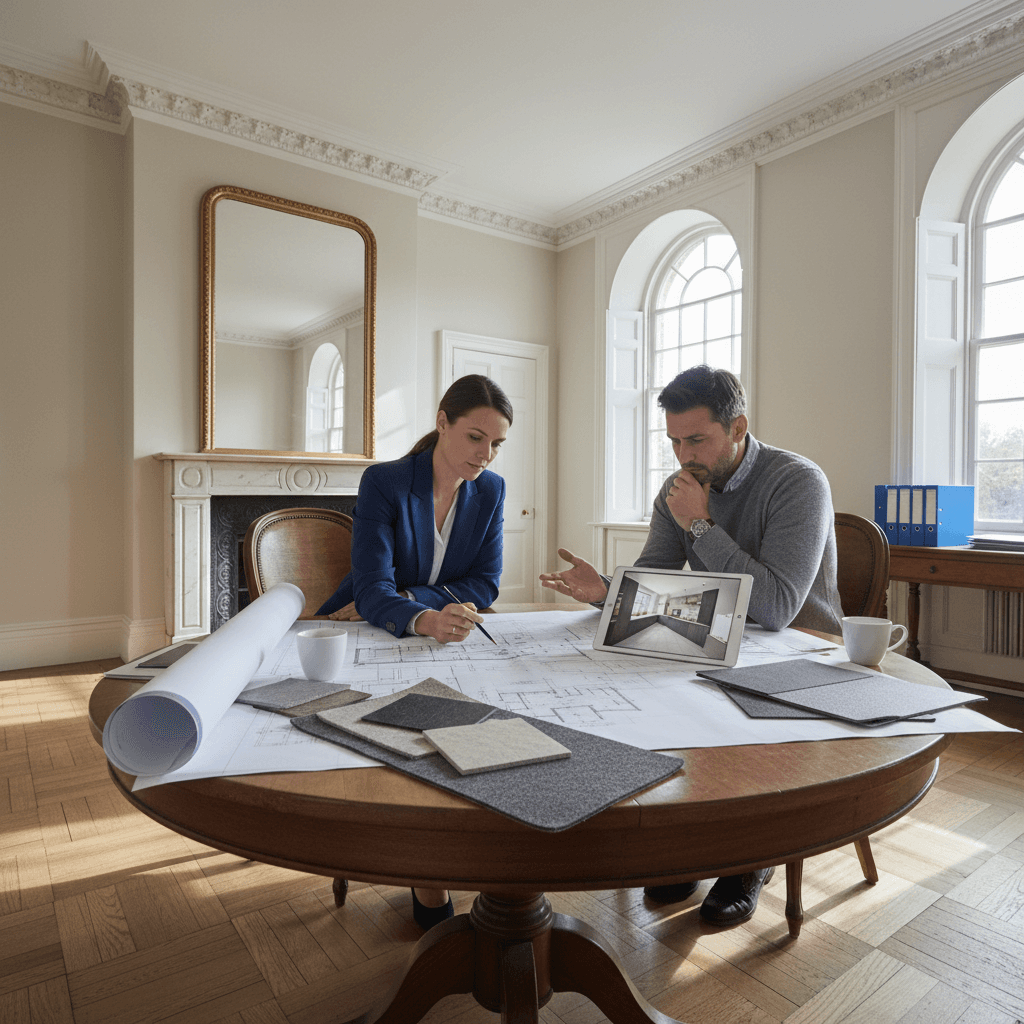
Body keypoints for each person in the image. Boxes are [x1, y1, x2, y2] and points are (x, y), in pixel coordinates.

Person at [540, 364, 844, 927]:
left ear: (738, 427)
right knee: (649, 699)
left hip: (798, 655)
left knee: (718, 711)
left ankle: (749, 856)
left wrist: (701, 526)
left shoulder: (798, 480)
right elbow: (656, 575)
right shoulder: (679, 488)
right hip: (716, 638)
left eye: (697, 440)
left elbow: (777, 608)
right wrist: (607, 591)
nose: (683, 456)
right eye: (675, 441)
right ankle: (690, 843)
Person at [317, 373, 513, 929]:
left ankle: (493, 859)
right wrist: (419, 615)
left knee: (480, 732)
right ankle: (431, 892)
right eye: (476, 437)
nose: (485, 454)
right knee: (406, 746)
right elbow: (369, 588)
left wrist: (416, 603)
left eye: (496, 444)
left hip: (441, 630)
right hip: (374, 632)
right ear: (442, 423)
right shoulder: (385, 482)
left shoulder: (491, 491)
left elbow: (487, 583)